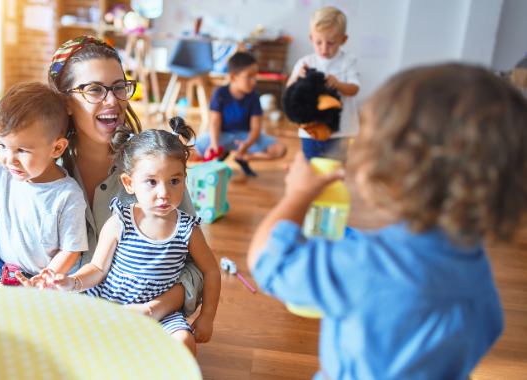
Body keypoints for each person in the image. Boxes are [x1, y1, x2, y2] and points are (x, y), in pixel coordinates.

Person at [248, 64, 527, 379]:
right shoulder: (479, 280)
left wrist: (297, 196)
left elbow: (267, 261)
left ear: (400, 171)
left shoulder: (369, 265)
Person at [0, 36, 204, 323]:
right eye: (94, 89)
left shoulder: (153, 170)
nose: (112, 100)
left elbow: (193, 265)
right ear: (65, 102)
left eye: (118, 87)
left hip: (115, 315)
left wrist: (152, 310)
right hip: (35, 299)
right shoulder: (37, 164)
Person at [32, 117, 221, 356]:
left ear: (185, 181)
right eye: (151, 182)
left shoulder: (187, 229)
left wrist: (207, 317)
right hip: (109, 301)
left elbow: (211, 271)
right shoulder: (120, 220)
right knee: (63, 332)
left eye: (174, 181)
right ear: (129, 184)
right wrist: (72, 282)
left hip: (159, 313)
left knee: (184, 341)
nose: (164, 193)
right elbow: (97, 268)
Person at [0, 83, 88, 286]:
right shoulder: (4, 177)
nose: (9, 159)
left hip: (50, 278)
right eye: (3, 146)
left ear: (57, 148)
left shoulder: (67, 195)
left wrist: (45, 278)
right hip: (6, 268)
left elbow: (71, 249)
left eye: (22, 150)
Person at [192, 52, 287, 177]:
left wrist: (247, 144)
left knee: (280, 149)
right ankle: (221, 154)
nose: (254, 81)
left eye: (255, 76)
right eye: (249, 76)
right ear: (233, 77)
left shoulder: (254, 97)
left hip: (245, 137)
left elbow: (256, 127)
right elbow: (215, 122)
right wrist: (214, 143)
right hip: (222, 135)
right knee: (189, 152)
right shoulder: (220, 93)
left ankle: (243, 157)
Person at [286, 6, 359, 161]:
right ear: (311, 38)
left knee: (336, 169)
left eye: (331, 42)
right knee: (310, 166)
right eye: (319, 42)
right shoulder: (305, 62)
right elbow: (289, 89)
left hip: (340, 130)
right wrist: (297, 78)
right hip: (310, 128)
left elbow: (354, 89)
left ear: (343, 40)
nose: (324, 48)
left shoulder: (348, 61)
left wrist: (338, 84)